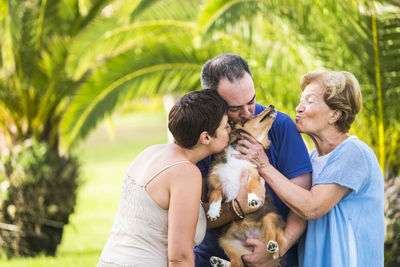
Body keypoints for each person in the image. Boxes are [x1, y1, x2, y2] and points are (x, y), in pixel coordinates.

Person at [238, 70, 384, 266]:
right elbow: (299, 212)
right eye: (301, 100)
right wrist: (276, 250)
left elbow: (311, 207)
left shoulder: (353, 153)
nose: (299, 108)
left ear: (335, 114)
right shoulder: (314, 158)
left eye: (309, 101)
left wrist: (263, 165)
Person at [194, 53, 313, 267]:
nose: (248, 112)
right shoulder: (200, 136)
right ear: (213, 102)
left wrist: (274, 252)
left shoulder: (279, 126)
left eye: (252, 101)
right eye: (235, 108)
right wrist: (236, 208)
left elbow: (302, 204)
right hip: (215, 258)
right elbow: (192, 215)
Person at [97, 89, 231, 267]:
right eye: (226, 126)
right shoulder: (186, 173)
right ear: (206, 137)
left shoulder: (150, 152)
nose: (231, 129)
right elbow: (179, 257)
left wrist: (236, 209)